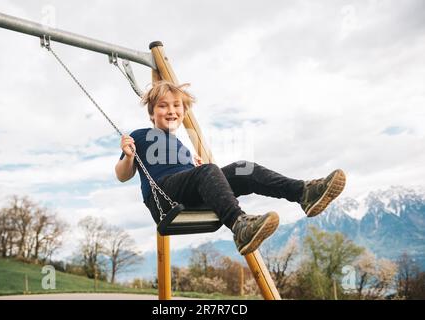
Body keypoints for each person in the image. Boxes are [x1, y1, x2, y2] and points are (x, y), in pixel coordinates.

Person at [115, 80, 346, 255]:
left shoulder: (183, 147)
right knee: (208, 170)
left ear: (184, 113)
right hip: (164, 197)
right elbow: (122, 175)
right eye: (163, 106)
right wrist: (127, 156)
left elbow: (199, 176)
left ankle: (304, 192)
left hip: (188, 193)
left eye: (177, 106)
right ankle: (240, 225)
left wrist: (195, 168)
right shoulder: (142, 136)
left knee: (242, 168)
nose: (171, 111)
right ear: (152, 113)